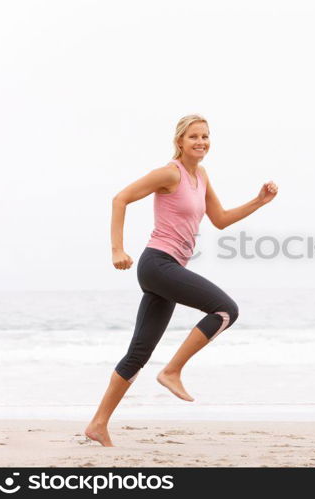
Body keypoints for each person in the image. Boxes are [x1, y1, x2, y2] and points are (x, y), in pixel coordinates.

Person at [85, 114, 278, 447]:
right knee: (225, 310)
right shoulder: (169, 173)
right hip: (158, 263)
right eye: (193, 137)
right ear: (180, 141)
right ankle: (172, 371)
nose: (201, 142)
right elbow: (121, 198)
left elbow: (219, 220)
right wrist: (117, 249)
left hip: (167, 269)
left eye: (205, 136)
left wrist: (258, 201)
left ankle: (98, 424)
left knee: (138, 354)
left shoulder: (200, 176)